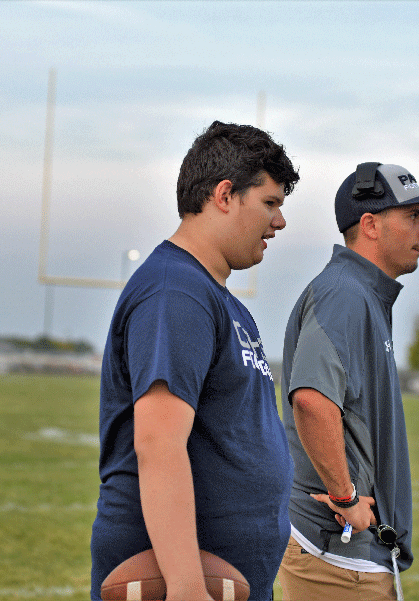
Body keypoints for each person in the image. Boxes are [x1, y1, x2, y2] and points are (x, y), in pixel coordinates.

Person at [90, 121, 300, 601]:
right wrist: (186, 585)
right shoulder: (176, 291)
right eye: (270, 203)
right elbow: (159, 441)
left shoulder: (217, 295)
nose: (280, 222)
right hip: (185, 583)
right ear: (224, 195)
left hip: (232, 577)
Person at [277, 162, 419, 600]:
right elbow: (312, 401)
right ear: (371, 225)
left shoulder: (363, 295)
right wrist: (345, 498)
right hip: (338, 560)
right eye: (413, 216)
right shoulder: (345, 294)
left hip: (350, 557)